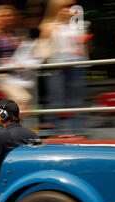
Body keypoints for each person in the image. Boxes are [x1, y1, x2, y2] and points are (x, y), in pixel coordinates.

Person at [38, 0, 90, 137]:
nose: (67, 10)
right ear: (55, 9)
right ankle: (54, 133)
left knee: (75, 101)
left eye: (69, 7)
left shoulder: (79, 24)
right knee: (56, 101)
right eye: (63, 7)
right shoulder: (48, 25)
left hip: (75, 66)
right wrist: (56, 23)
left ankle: (78, 132)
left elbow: (84, 45)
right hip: (56, 67)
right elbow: (43, 41)